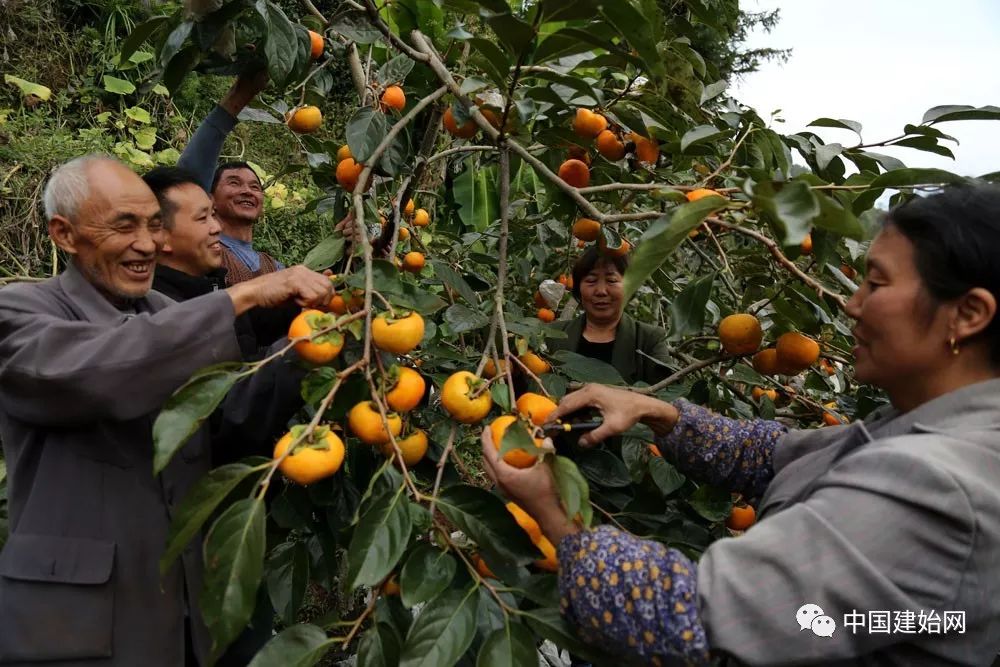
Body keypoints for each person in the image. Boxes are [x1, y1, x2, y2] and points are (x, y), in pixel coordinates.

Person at [482, 184, 1000, 665]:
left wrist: (552, 513)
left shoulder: (935, 482)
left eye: (877, 282)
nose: (852, 302)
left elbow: (688, 616)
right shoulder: (925, 427)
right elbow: (768, 453)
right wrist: (656, 409)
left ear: (968, 314)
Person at [0, 155, 333, 666]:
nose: (147, 243)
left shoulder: (167, 314)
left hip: (180, 616)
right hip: (74, 622)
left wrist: (306, 350)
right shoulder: (20, 313)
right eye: (124, 225)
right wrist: (240, 297)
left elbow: (225, 415)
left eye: (155, 225)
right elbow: (105, 370)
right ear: (64, 235)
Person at [547, 247, 671, 386]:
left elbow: (666, 397)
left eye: (611, 280)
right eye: (591, 281)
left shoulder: (649, 339)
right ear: (579, 288)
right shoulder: (551, 335)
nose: (601, 291)